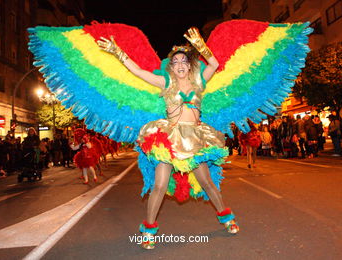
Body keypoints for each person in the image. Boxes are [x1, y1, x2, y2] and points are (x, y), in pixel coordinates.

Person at [98, 27, 239, 249]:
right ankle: (149, 230)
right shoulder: (165, 83)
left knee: (207, 183)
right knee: (160, 185)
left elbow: (214, 64)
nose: (180, 64)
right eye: (176, 62)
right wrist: (118, 52)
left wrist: (202, 46)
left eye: (185, 60)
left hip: (194, 140)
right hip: (169, 140)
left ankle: (227, 218)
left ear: (190, 65)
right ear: (170, 67)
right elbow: (137, 71)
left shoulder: (199, 82)